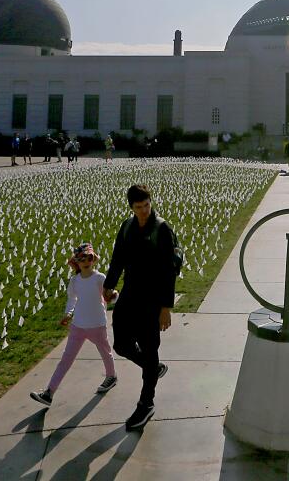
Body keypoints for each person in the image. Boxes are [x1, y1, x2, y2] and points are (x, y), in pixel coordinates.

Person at [103, 184, 178, 431]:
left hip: (153, 300)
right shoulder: (127, 227)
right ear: (131, 207)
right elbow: (118, 258)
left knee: (149, 347)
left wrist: (166, 307)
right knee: (121, 344)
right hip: (130, 294)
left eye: (147, 205)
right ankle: (153, 367)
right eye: (139, 207)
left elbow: (169, 271)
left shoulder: (162, 229)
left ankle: (146, 403)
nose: (144, 210)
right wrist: (109, 284)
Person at [30, 243, 118, 406]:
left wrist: (114, 296)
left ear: (94, 259)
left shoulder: (99, 278)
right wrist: (69, 313)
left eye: (89, 258)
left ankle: (111, 376)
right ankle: (49, 393)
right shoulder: (75, 280)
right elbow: (72, 298)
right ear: (76, 262)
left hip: (97, 324)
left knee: (105, 352)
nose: (86, 262)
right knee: (66, 358)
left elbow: (109, 295)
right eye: (82, 259)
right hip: (78, 326)